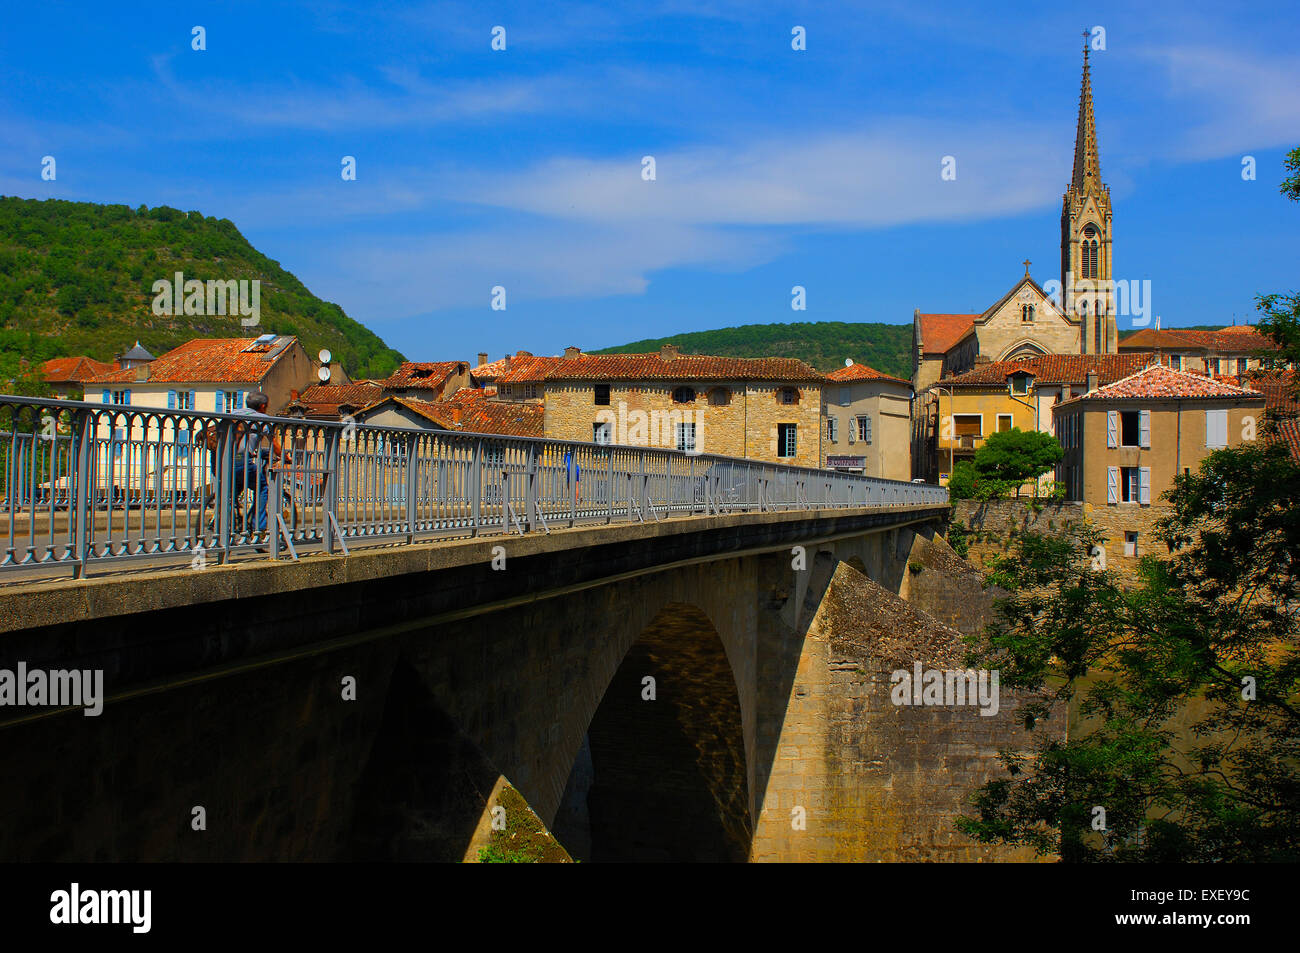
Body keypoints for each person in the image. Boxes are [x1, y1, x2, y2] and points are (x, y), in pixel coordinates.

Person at [230, 392, 288, 533]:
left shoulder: (233, 413)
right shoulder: (262, 418)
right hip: (240, 459)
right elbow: (273, 442)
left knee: (233, 491)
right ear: (262, 406)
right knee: (263, 488)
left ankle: (222, 519)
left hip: (222, 459)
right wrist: (285, 457)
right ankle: (259, 528)